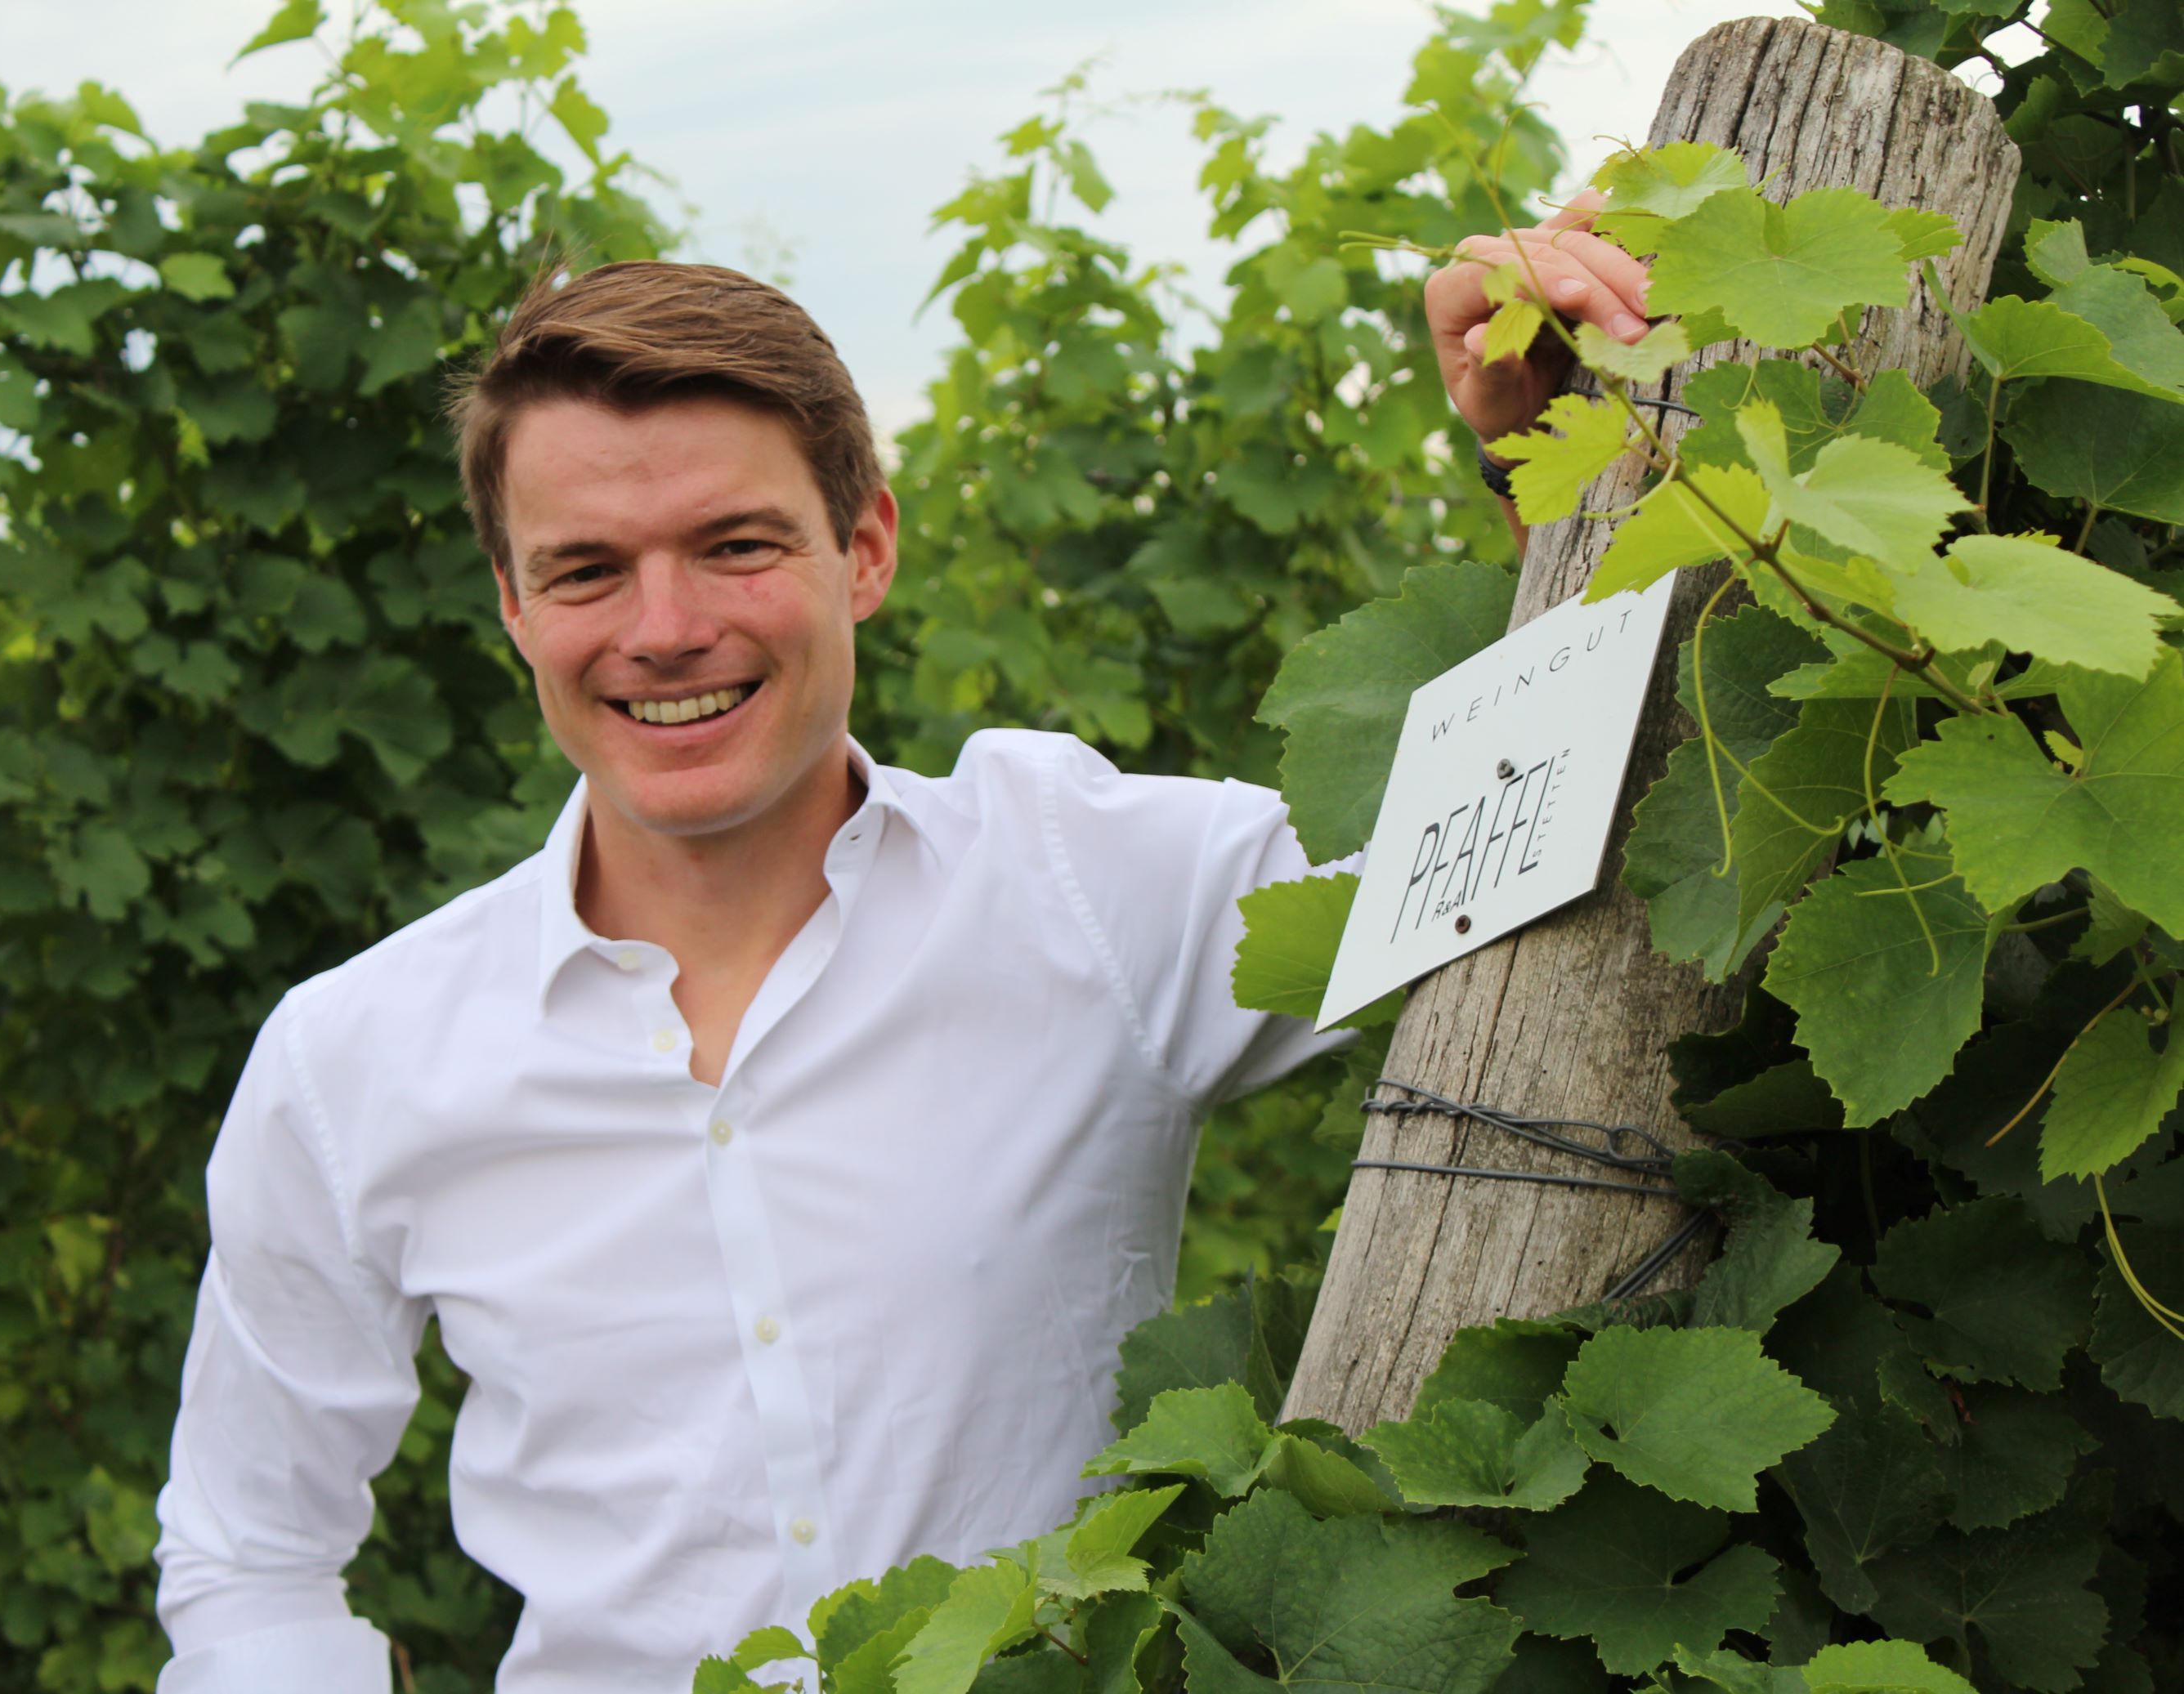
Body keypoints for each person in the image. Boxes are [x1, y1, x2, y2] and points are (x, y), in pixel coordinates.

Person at [149, 200, 1653, 1693]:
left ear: (862, 547)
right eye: (589, 569)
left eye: (734, 545)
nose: (663, 628)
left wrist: (1557, 476)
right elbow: (247, 1555)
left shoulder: (1082, 881)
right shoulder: (357, 1057)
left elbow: (1511, 849)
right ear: (513, 605)